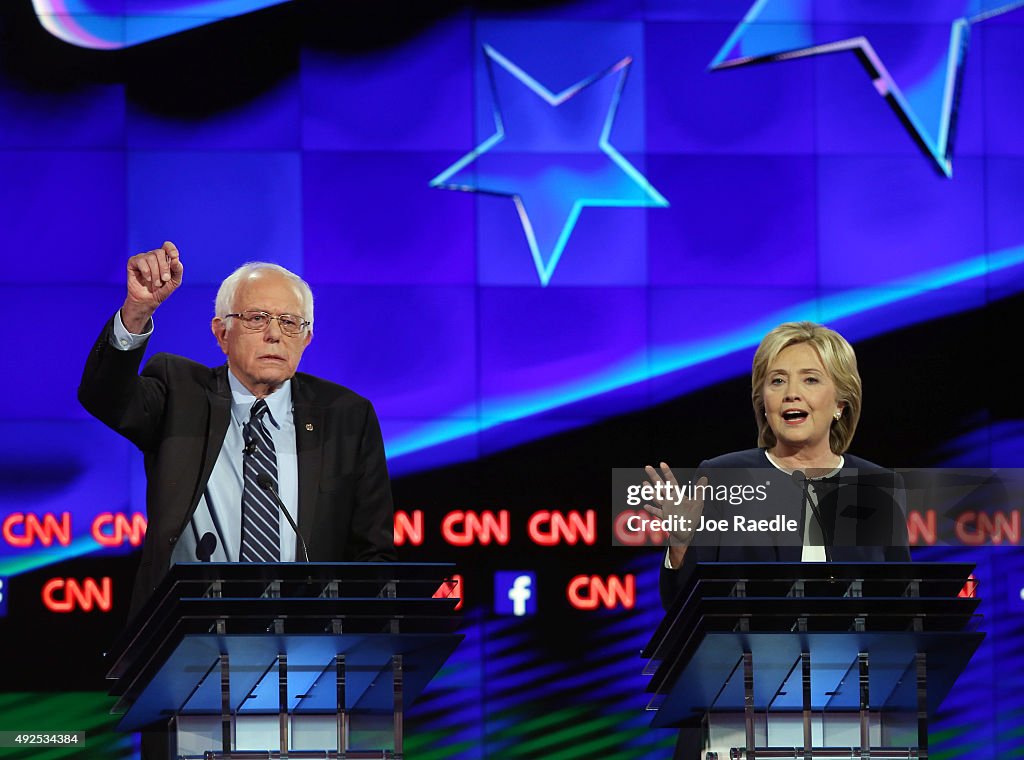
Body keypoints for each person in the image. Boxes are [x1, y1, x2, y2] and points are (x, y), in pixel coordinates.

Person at [79, 242, 396, 759]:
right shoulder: (179, 391)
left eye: (291, 323)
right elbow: (105, 397)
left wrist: (356, 646)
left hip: (306, 671)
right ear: (220, 331)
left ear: (308, 338)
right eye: (256, 318)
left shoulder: (346, 415)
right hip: (188, 663)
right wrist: (137, 311)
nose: (275, 333)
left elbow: (373, 553)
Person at [643, 321, 910, 759]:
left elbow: (901, 610)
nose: (791, 393)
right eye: (777, 381)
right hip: (737, 714)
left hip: (842, 717)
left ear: (840, 402)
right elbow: (683, 609)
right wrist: (680, 546)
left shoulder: (877, 486)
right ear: (763, 402)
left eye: (810, 379)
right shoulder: (726, 476)